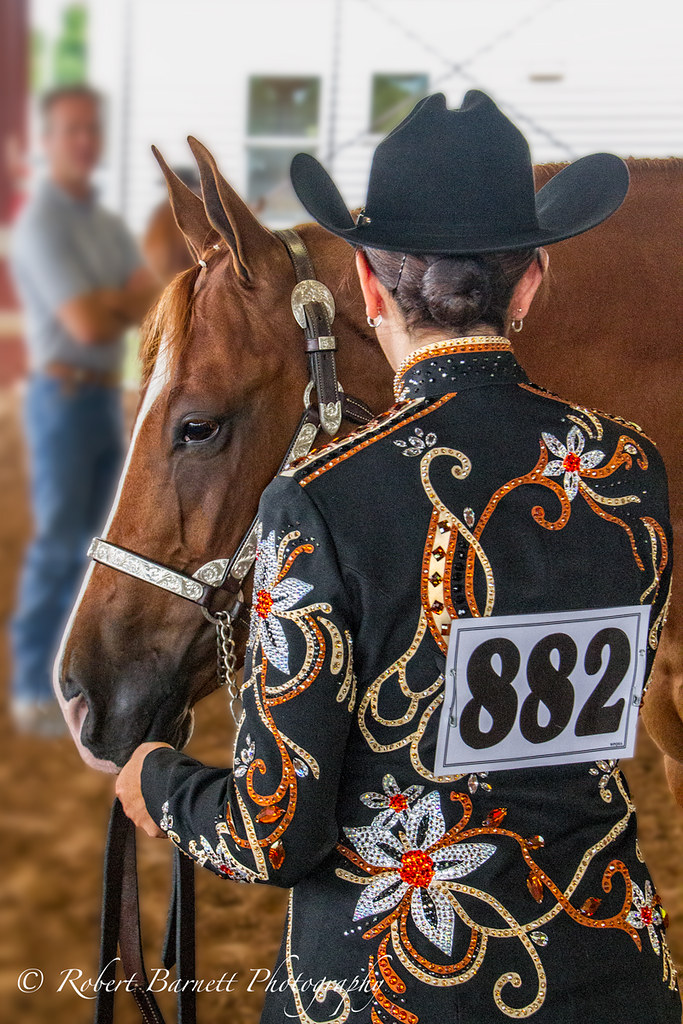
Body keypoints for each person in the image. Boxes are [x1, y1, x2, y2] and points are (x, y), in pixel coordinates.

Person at [117, 91, 680, 1022]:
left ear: (369, 292)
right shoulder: (627, 469)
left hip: (388, 990)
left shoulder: (319, 502)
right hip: (609, 976)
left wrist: (162, 787)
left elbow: (269, 836)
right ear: (532, 281)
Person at [9, 84, 158, 735]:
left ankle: (84, 676)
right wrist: (114, 302)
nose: (83, 141)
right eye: (70, 130)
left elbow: (147, 297)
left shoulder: (101, 224)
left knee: (100, 542)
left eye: (91, 129)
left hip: (99, 399)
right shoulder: (39, 223)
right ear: (47, 142)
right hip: (61, 398)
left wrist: (116, 302)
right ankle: (28, 686)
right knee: (59, 543)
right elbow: (92, 324)